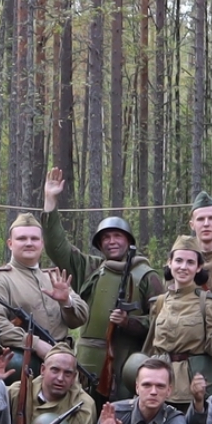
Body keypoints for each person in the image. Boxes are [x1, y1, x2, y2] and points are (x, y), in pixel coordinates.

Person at [41, 169, 162, 401]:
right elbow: (57, 247)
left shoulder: (147, 276)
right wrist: (50, 201)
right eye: (106, 237)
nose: (111, 241)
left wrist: (129, 322)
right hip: (88, 362)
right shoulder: (90, 269)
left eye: (117, 236)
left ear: (128, 241)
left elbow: (160, 323)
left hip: (130, 363)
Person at [0, 213, 89, 369]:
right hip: (21, 365)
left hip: (62, 364)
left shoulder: (54, 278)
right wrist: (35, 343)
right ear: (10, 243)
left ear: (42, 244)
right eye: (22, 238)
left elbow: (80, 318)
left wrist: (66, 302)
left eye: (34, 239)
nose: (29, 243)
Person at [143, 238, 212, 407]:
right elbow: (150, 347)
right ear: (169, 263)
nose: (183, 267)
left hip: (195, 386)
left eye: (190, 262)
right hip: (160, 384)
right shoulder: (159, 303)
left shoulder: (209, 304)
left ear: (198, 267)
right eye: (178, 260)